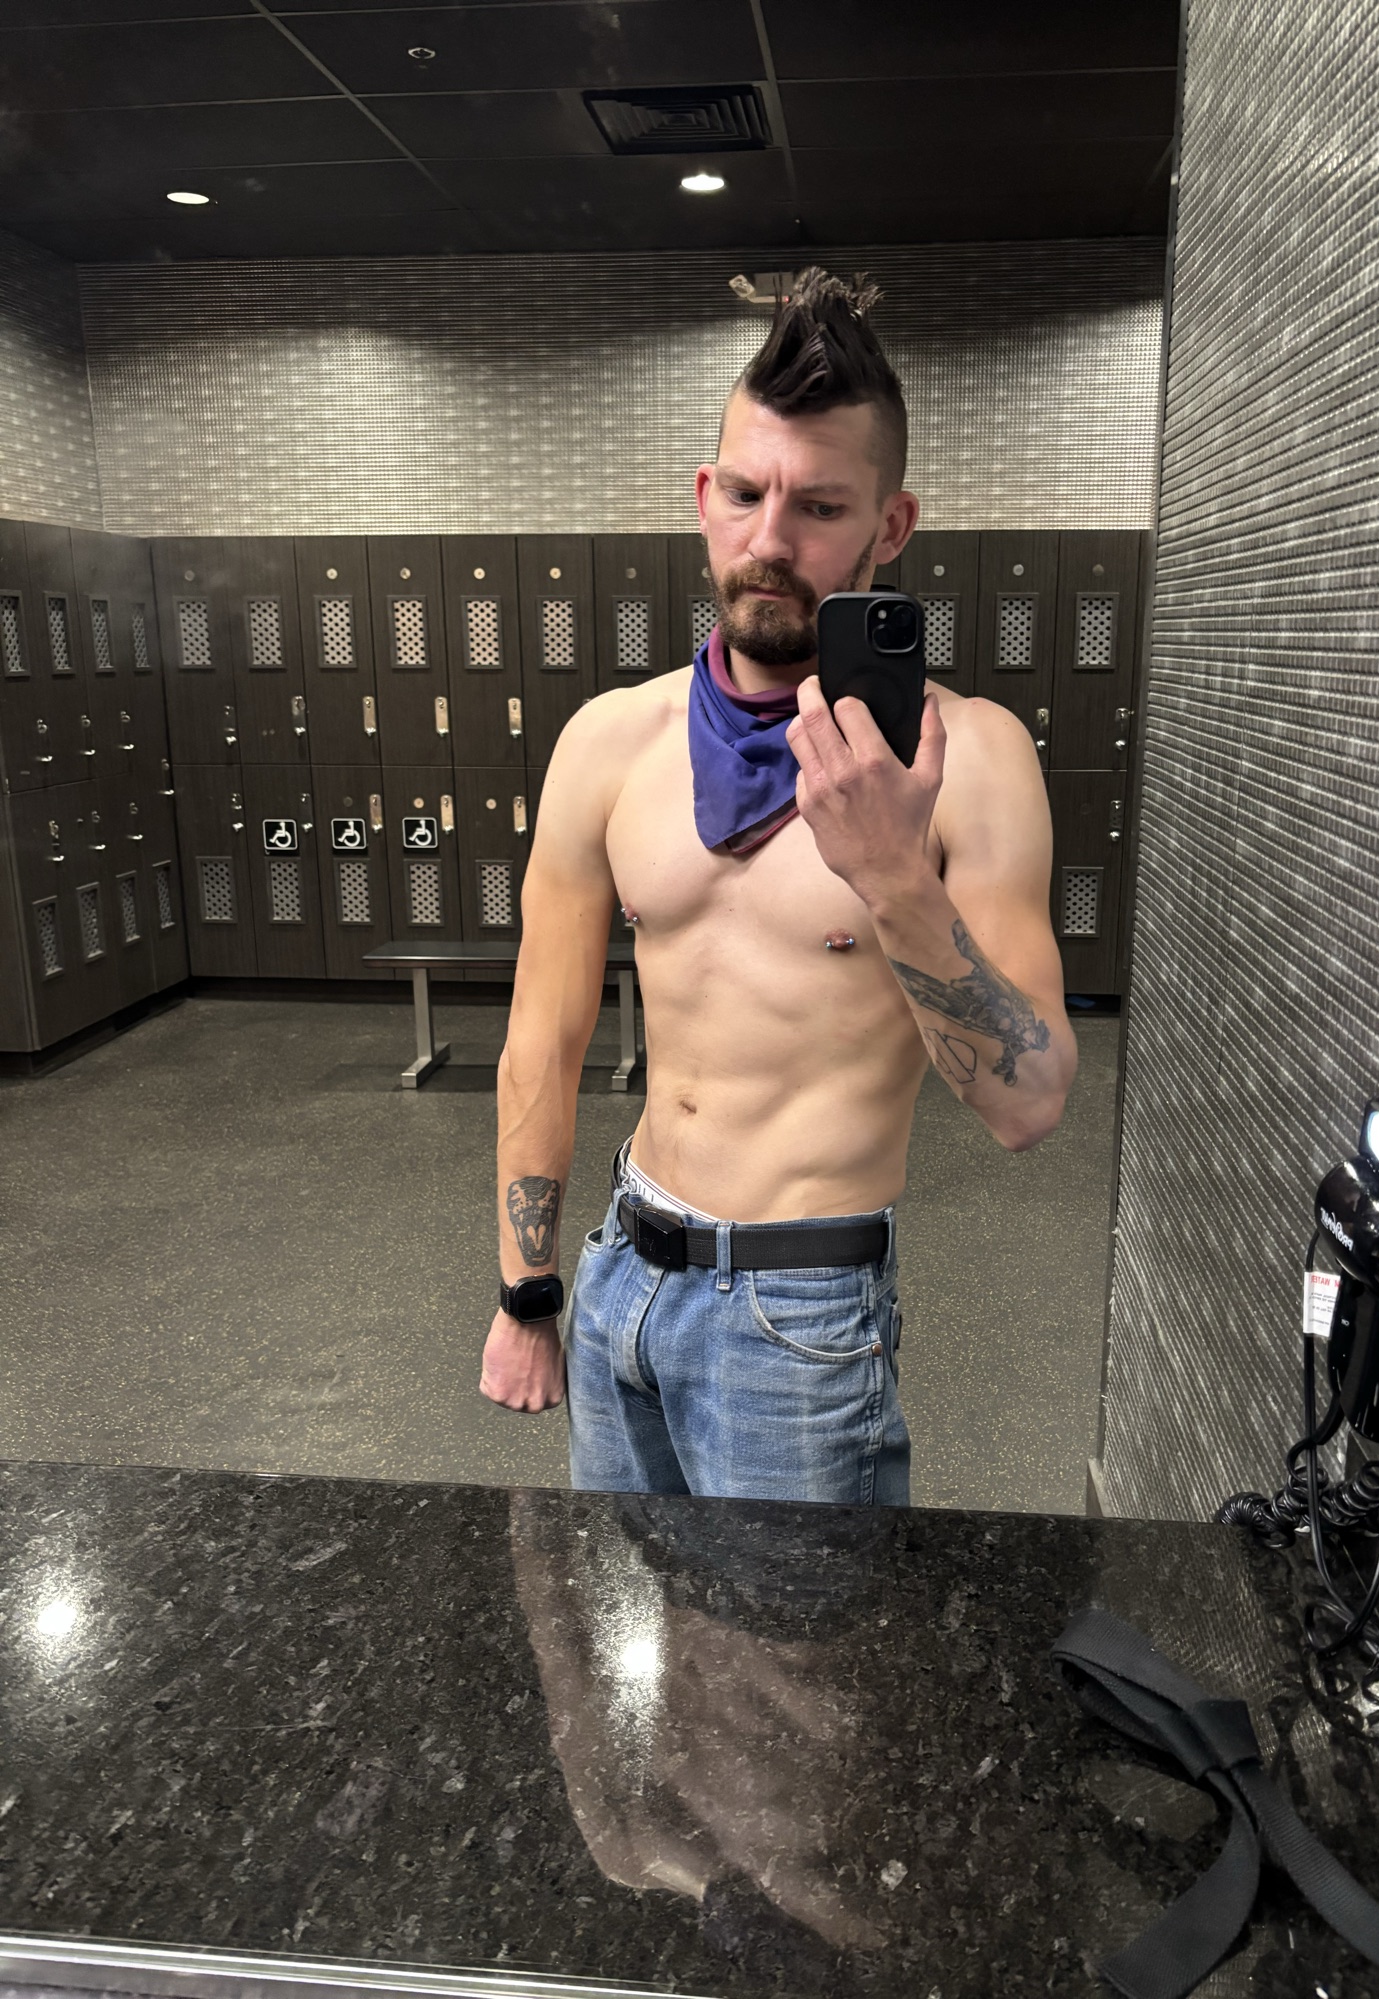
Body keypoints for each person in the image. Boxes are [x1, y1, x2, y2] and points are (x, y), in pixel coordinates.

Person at [480, 267, 1077, 1505]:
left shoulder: (970, 761)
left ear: (890, 526)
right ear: (705, 498)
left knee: (801, 1641)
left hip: (797, 1317)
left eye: (819, 506)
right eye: (747, 494)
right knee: (625, 1617)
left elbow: (1029, 1103)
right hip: (618, 1279)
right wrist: (526, 1287)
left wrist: (892, 873)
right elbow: (543, 1032)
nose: (769, 540)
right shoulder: (609, 743)